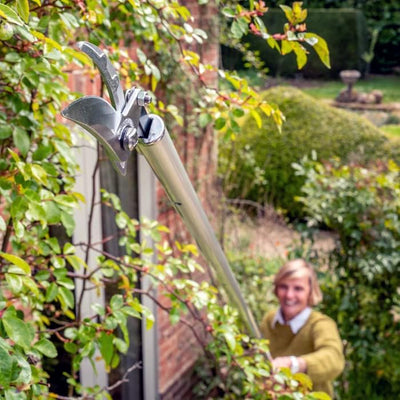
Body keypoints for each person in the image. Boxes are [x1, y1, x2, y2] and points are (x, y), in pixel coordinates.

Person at [260, 258, 344, 397]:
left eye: (298, 288)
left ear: (310, 292)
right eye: (283, 287)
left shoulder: (320, 324)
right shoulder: (269, 321)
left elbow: (334, 359)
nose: (289, 295)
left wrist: (295, 364)